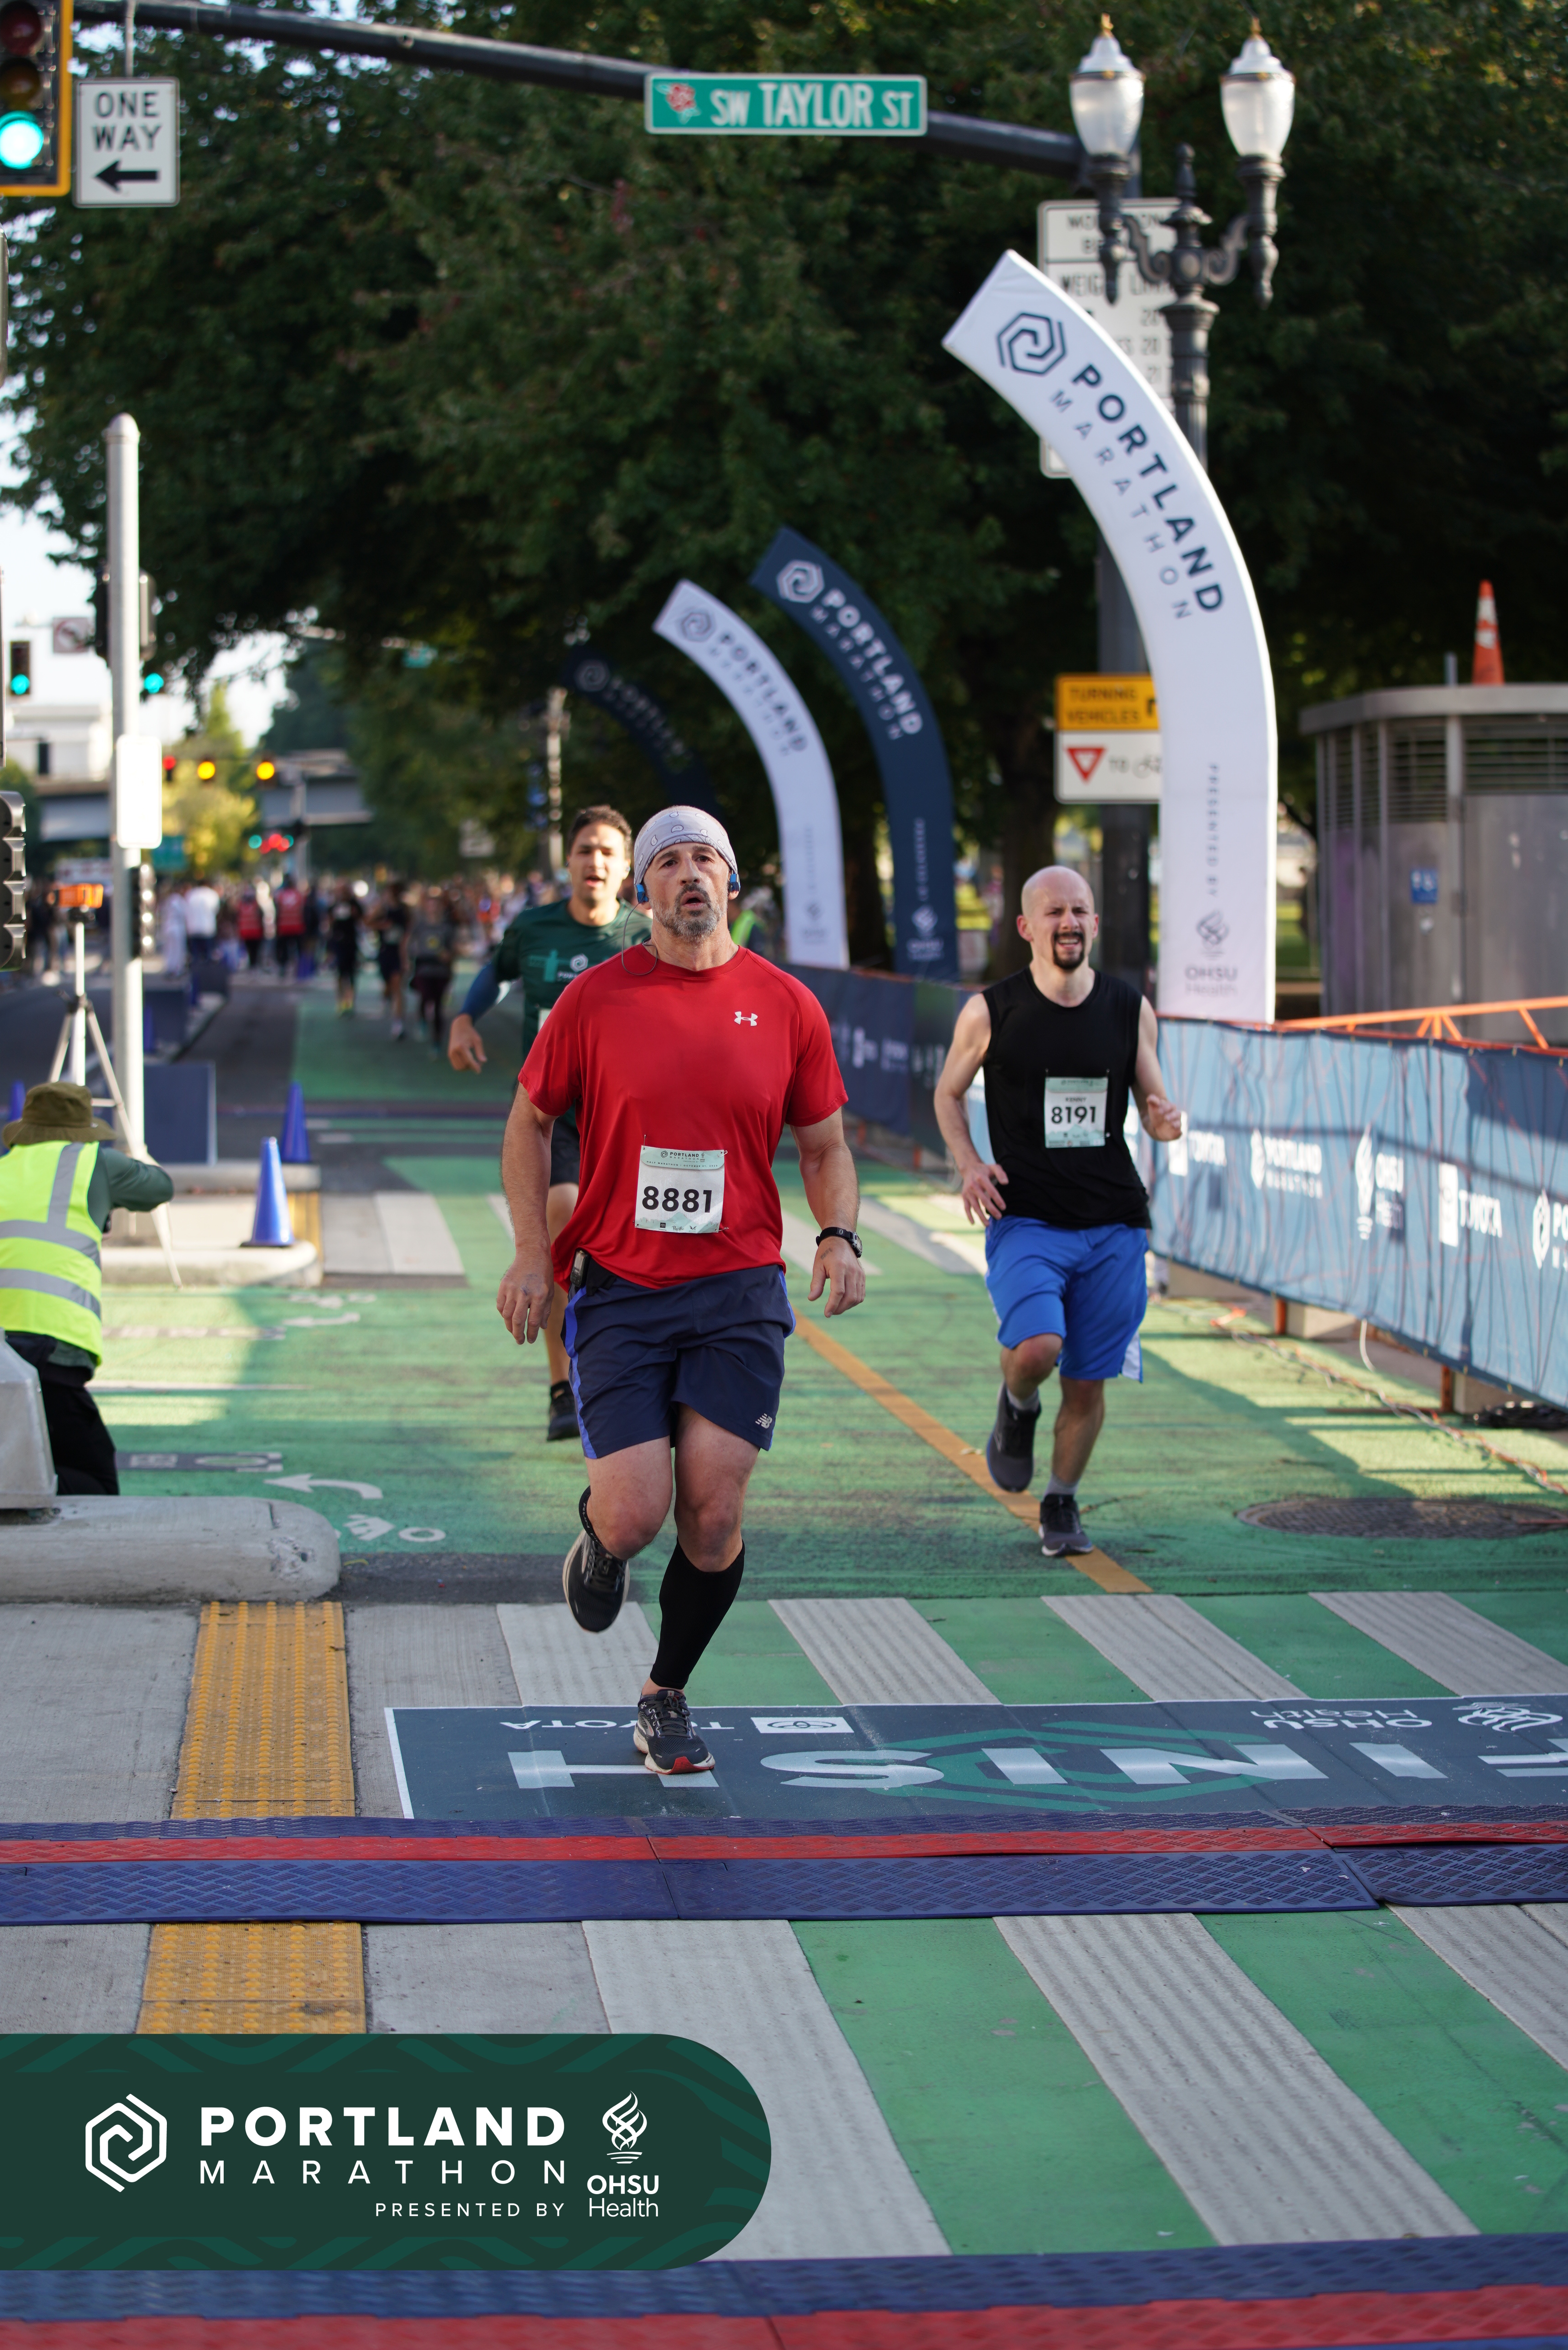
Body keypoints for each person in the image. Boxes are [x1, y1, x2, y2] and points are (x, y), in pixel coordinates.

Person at [495, 806, 865, 1775]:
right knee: (634, 1515)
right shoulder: (594, 1000)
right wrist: (532, 1251)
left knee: (712, 1512)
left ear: (730, 882)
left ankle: (664, 1693)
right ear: (641, 890)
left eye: (707, 857)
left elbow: (824, 1145)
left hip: (737, 1291)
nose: (690, 873)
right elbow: (529, 1122)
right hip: (621, 1289)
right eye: (668, 861)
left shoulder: (786, 1005)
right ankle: (597, 1539)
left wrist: (836, 1234)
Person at [933, 865, 1182, 1557]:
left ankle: (1062, 1499)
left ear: (1094, 923)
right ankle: (1017, 1405)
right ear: (1026, 926)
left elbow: (1155, 1109)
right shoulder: (991, 1011)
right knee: (1038, 1348)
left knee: (1087, 1380)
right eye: (1054, 912)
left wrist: (1164, 1122)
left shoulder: (1130, 1008)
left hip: (1114, 1222)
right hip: (1027, 1217)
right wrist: (970, 1164)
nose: (1068, 923)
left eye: (1079, 911)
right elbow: (947, 1094)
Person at [450, 806, 648, 1443]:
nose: (596, 861)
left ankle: (622, 1371)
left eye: (608, 852)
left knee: (630, 1249)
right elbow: (497, 972)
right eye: (586, 849)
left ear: (627, 867)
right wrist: (465, 1018)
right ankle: (562, 1387)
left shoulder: (646, 939)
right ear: (568, 861)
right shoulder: (534, 928)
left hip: (626, 1117)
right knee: (563, 1222)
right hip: (551, 1110)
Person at [0, 1082, 174, 1495]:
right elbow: (159, 1187)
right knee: (94, 1481)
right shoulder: (96, 1163)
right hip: (53, 1342)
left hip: (3, 1348)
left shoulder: (5, 1168)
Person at [406, 887, 458, 1054]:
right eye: (430, 904)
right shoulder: (420, 925)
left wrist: (449, 956)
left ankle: (437, 1040)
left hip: (440, 970)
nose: (433, 908)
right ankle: (422, 1020)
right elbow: (408, 942)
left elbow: (454, 949)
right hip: (424, 968)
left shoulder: (447, 927)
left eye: (436, 904)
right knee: (425, 995)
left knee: (438, 1006)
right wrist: (409, 959)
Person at [375, 882, 412, 1038]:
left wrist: (406, 954)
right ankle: (386, 997)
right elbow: (368, 922)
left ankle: (398, 1024)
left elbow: (410, 929)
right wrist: (382, 926)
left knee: (398, 986)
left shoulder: (405, 910)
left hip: (399, 952)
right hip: (385, 951)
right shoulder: (382, 909)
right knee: (388, 986)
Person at [327, 883, 360, 1014]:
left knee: (351, 974)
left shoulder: (354, 905)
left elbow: (361, 918)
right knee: (340, 974)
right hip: (338, 943)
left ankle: (350, 1001)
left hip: (351, 943)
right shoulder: (334, 906)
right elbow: (329, 923)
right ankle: (341, 1001)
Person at [273, 872, 306, 976]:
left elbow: (277, 911)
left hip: (284, 927)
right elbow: (303, 911)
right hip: (297, 927)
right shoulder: (299, 895)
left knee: (284, 950)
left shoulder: (280, 896)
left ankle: (284, 967)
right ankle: (299, 969)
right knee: (298, 950)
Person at [236, 885, 265, 970]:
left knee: (249, 950)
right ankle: (254, 965)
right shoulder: (257, 906)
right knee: (255, 951)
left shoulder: (241, 906)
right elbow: (261, 918)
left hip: (245, 933)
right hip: (256, 933)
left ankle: (251, 965)